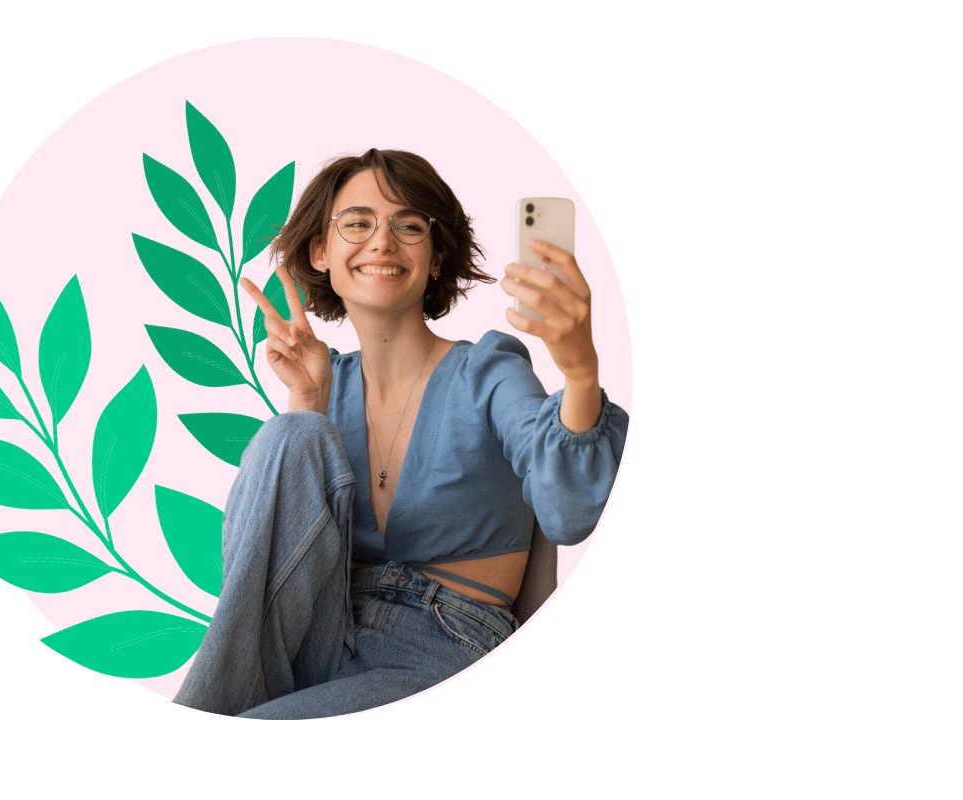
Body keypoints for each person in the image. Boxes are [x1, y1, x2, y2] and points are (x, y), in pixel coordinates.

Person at [171, 149, 628, 719]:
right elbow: (270, 577)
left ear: (436, 257)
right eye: (358, 223)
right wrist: (308, 404)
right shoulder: (323, 384)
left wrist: (581, 372)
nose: (382, 241)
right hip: (322, 637)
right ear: (322, 252)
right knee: (289, 434)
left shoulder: (489, 370)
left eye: (408, 226)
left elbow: (567, 514)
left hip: (443, 644)